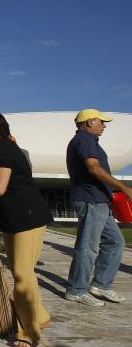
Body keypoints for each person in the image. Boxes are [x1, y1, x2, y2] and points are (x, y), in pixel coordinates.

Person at [0, 112, 53, 347]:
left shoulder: (4, 151)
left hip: (26, 219)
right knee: (24, 273)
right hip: (15, 219)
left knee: (21, 275)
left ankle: (29, 332)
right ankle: (40, 316)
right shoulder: (2, 151)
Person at [64, 109, 132, 307]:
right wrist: (123, 187)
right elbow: (93, 168)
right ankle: (76, 290)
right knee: (88, 247)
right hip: (90, 200)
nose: (104, 125)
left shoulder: (88, 140)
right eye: (101, 122)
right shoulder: (85, 139)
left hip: (99, 201)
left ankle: (101, 285)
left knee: (115, 242)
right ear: (88, 122)